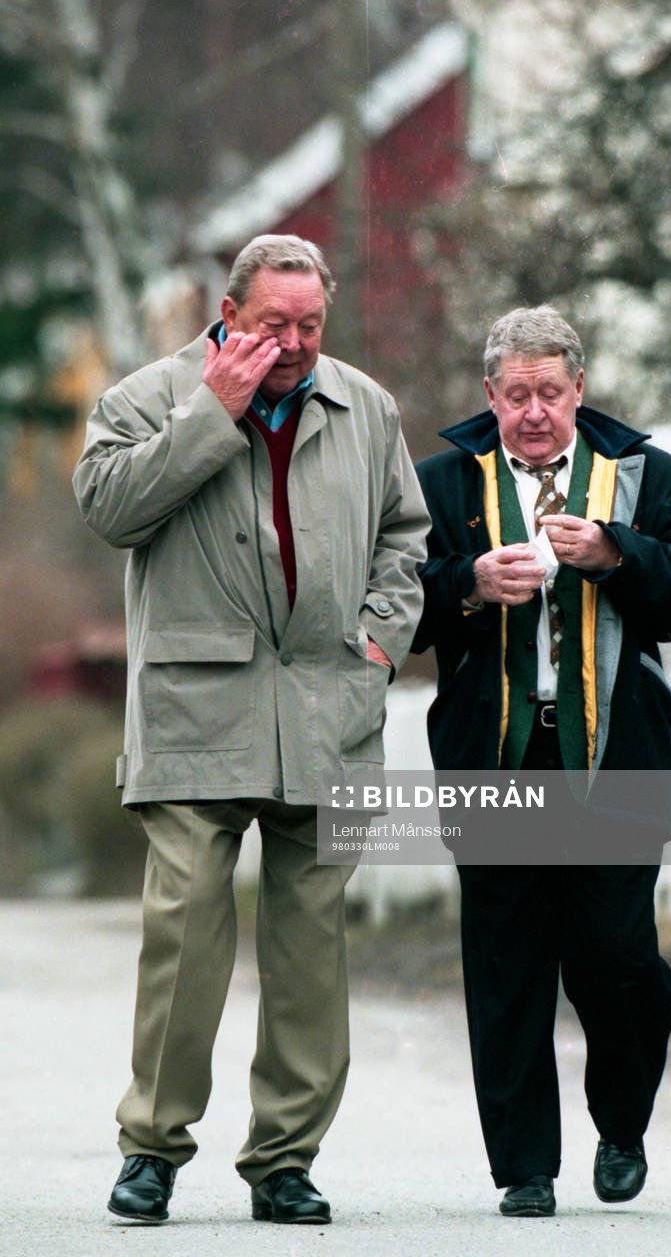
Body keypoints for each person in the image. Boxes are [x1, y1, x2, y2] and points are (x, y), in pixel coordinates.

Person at [73, 233, 429, 1225]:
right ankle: (151, 1146)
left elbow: (406, 532)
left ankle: (285, 1158)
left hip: (329, 706)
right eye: (276, 323)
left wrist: (379, 639)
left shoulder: (367, 406)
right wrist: (211, 413)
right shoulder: (148, 395)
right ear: (227, 314)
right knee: (184, 928)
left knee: (311, 946)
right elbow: (108, 505)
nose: (296, 342)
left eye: (311, 324)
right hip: (197, 704)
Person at [413, 306, 671, 1218]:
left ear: (579, 391)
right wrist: (466, 583)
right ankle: (524, 1167)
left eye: (551, 391)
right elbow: (394, 597)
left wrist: (617, 552)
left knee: (616, 956)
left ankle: (620, 1123)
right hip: (492, 753)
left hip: (614, 753)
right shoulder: (441, 484)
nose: (535, 410)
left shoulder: (645, 477)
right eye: (517, 394)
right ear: (490, 397)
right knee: (506, 963)